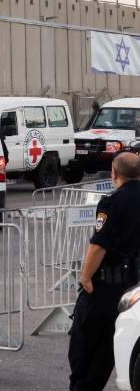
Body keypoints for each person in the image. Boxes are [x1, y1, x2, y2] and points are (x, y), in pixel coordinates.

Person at [69, 151, 140, 391]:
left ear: (114, 173)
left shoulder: (112, 201)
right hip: (134, 289)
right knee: (108, 355)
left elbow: (99, 245)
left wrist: (86, 277)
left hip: (106, 290)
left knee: (83, 356)